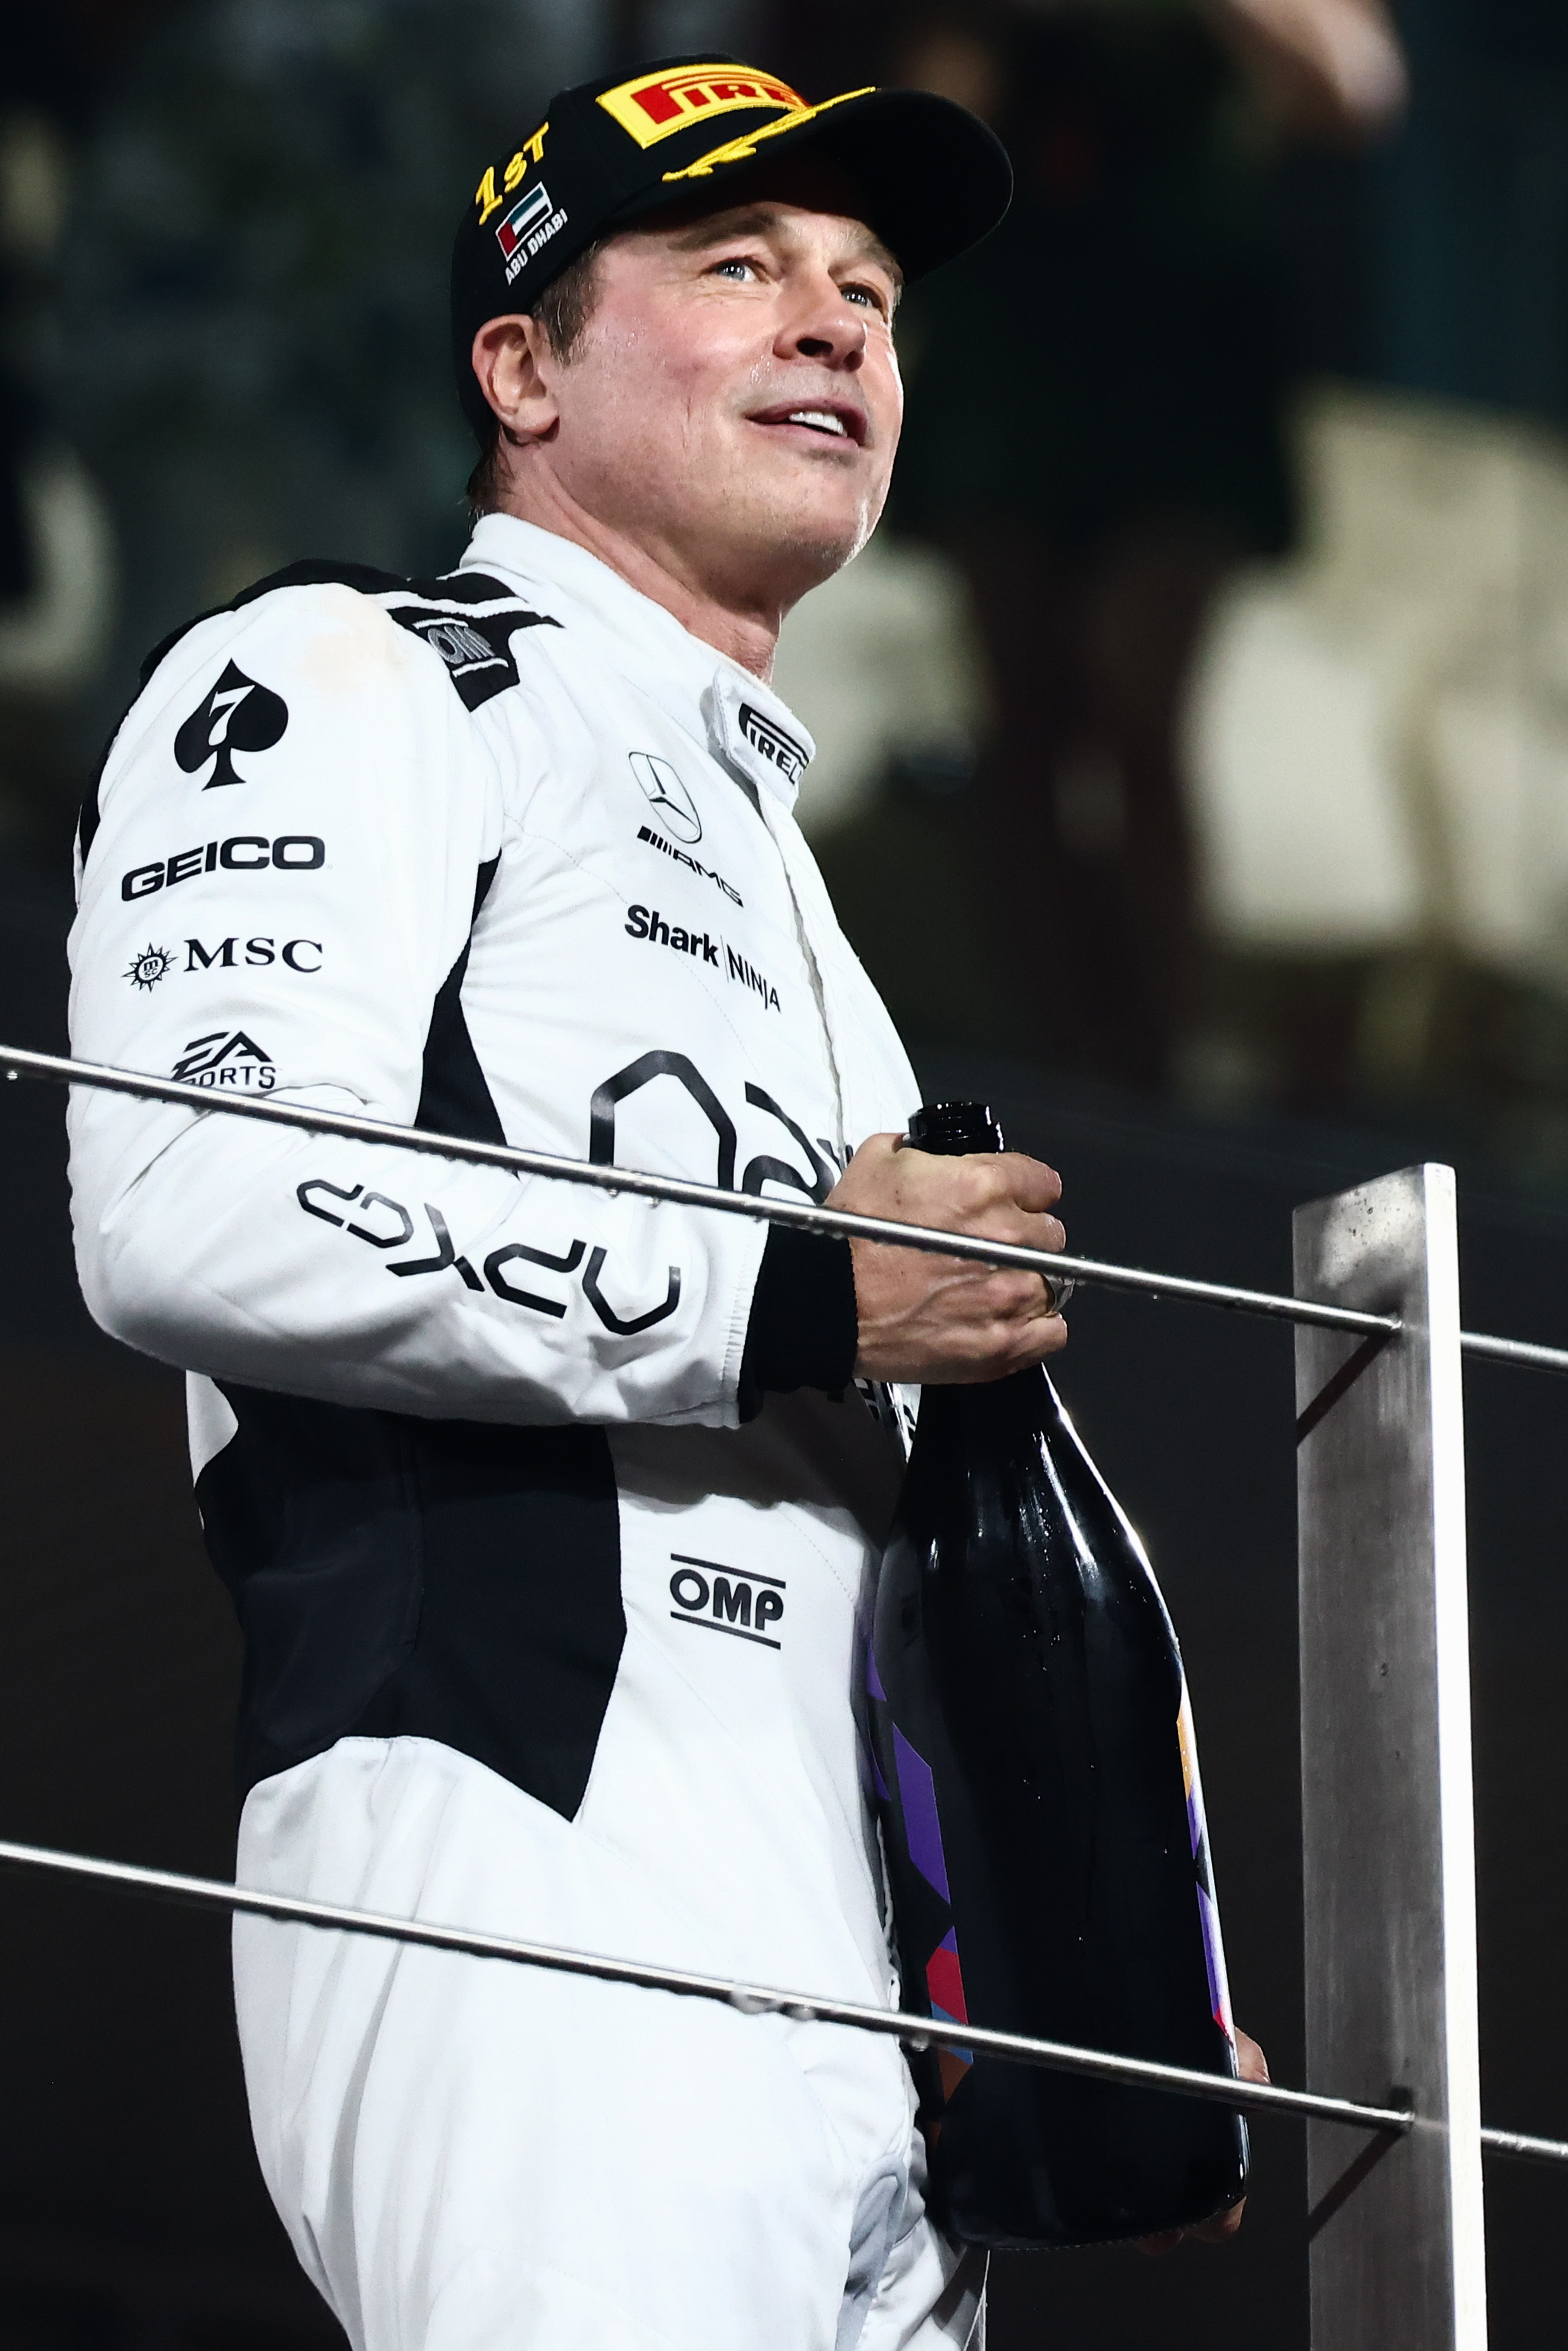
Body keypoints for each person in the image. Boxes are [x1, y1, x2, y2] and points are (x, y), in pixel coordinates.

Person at [66, 52, 1257, 2351]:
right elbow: (189, 1207)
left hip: (875, 2008)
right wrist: (804, 1291)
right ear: (518, 366)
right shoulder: (341, 672)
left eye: (871, 293)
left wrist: (1070, 1941)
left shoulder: (820, 931)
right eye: (738, 269)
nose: (835, 328)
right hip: (528, 1849)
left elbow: (913, 1535)